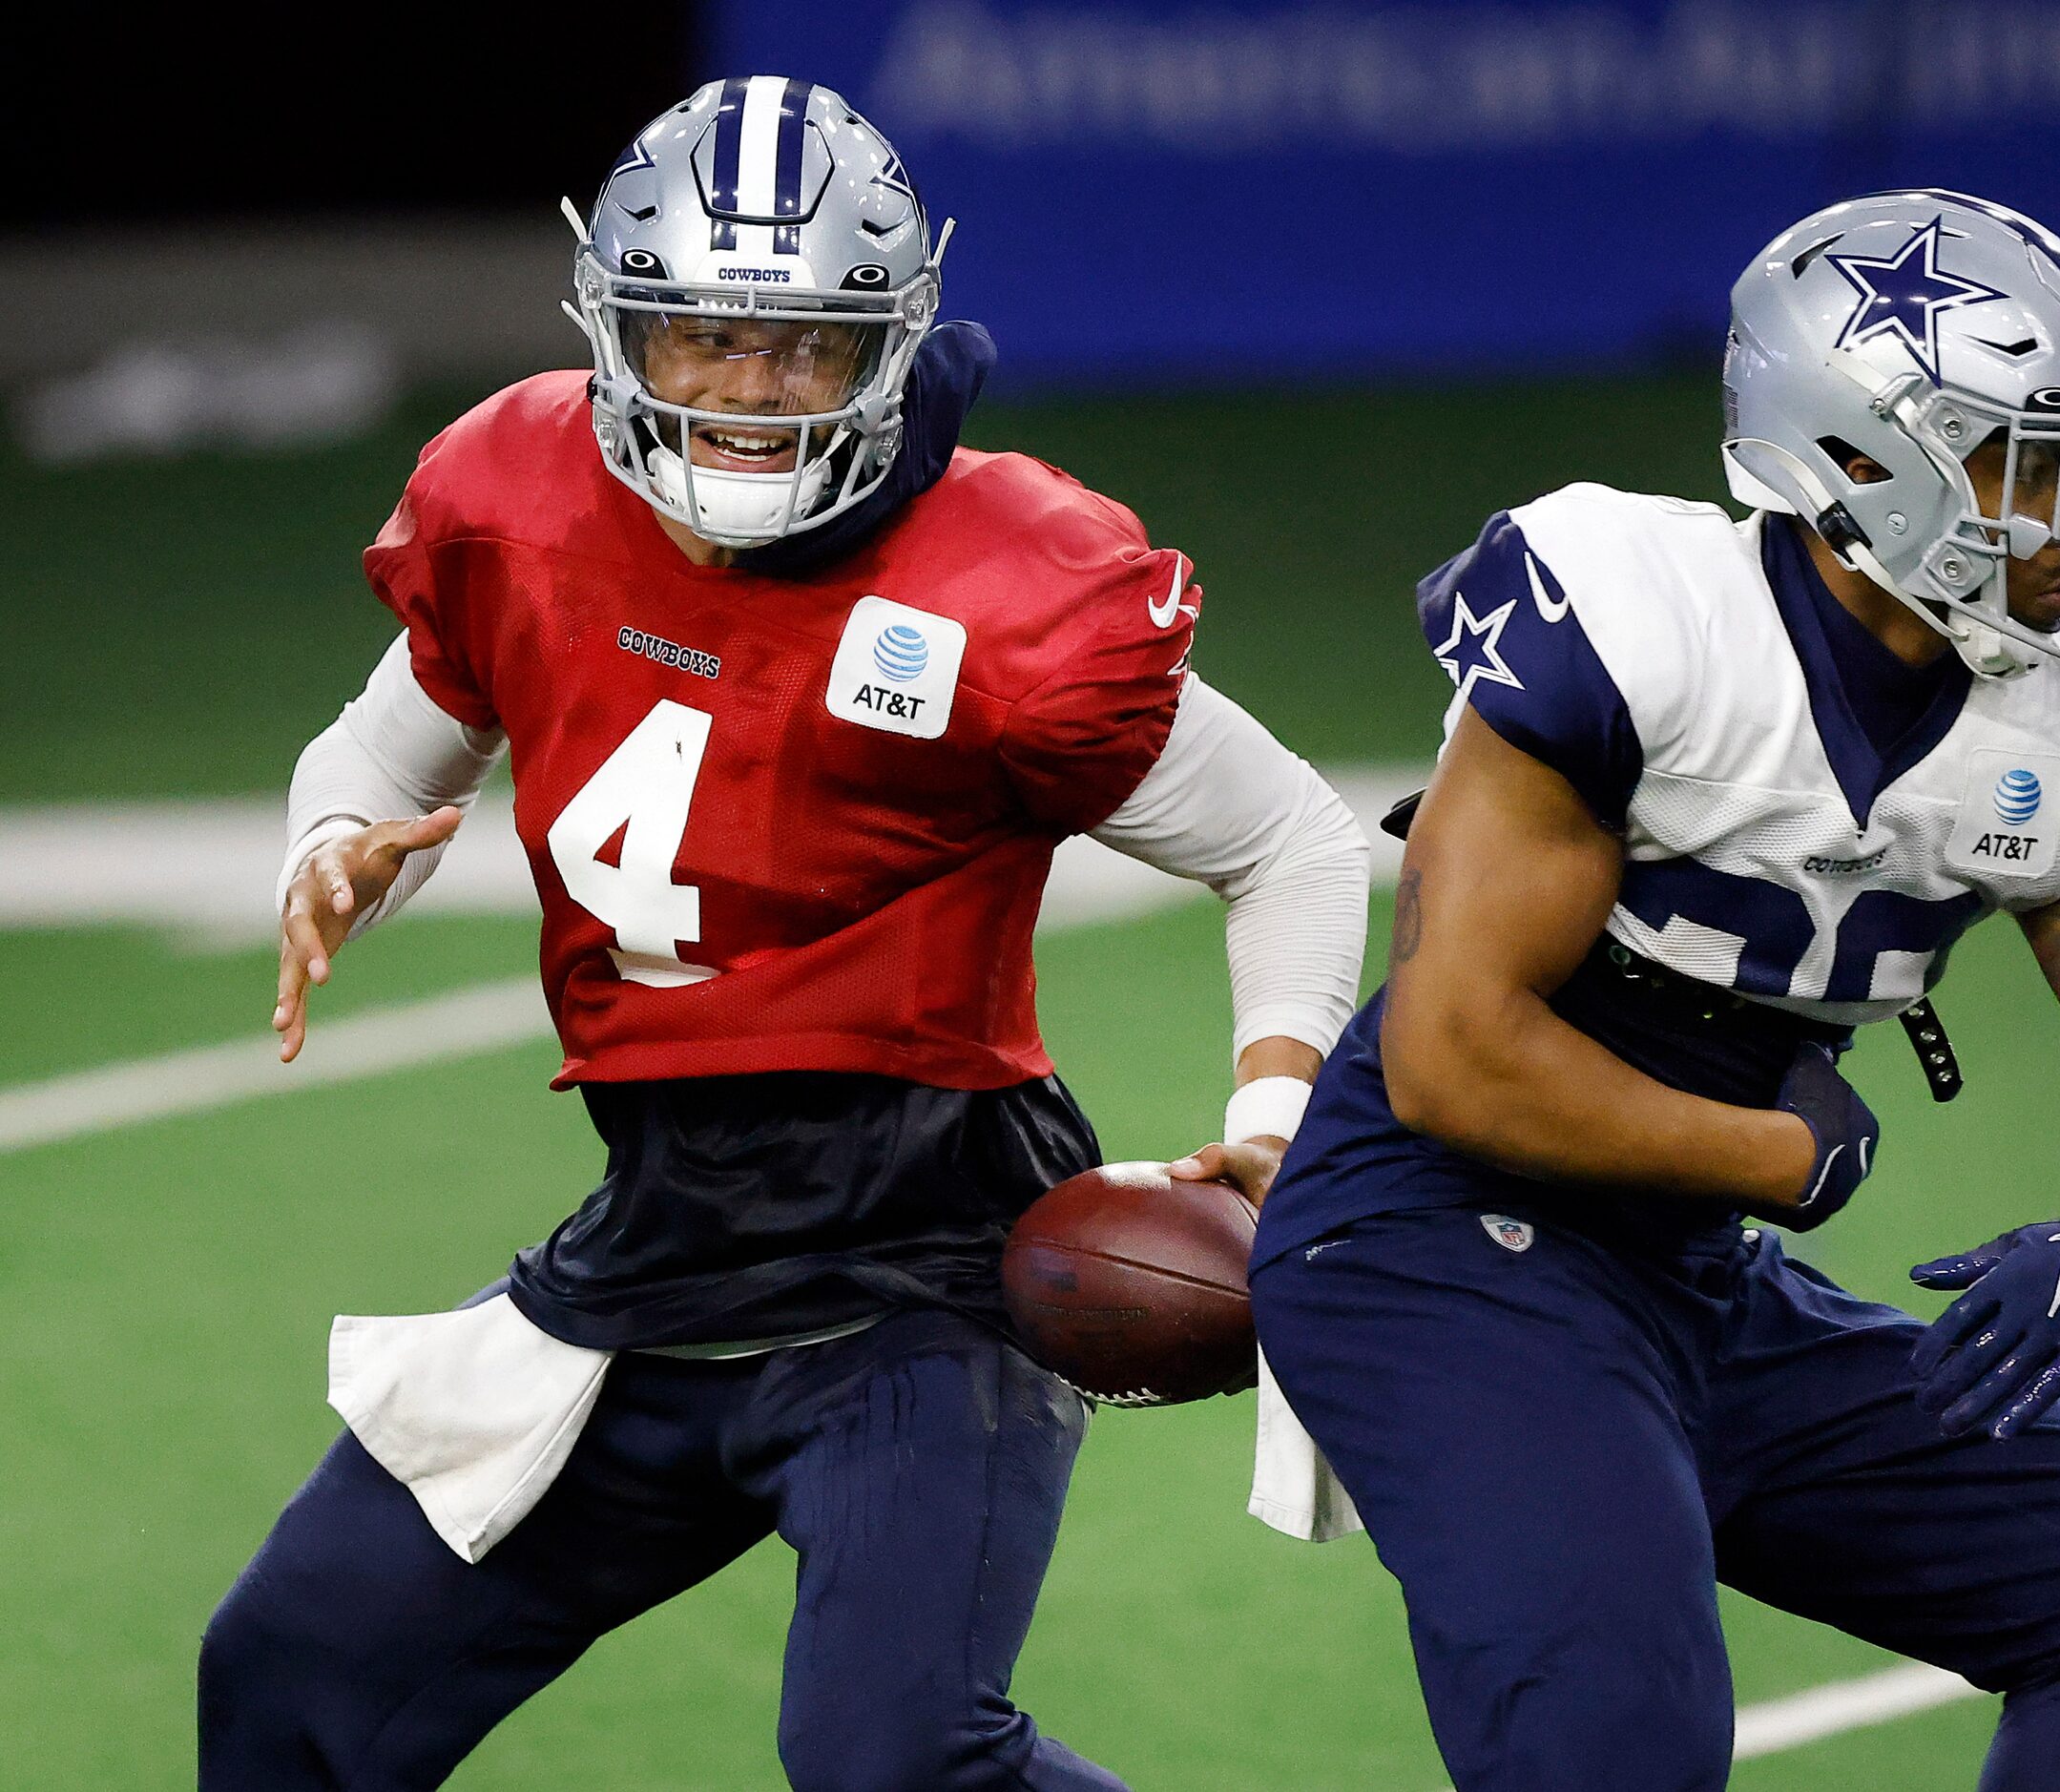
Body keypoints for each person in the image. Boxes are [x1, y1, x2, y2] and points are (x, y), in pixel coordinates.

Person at [199, 76, 1369, 1791]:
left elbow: (1288, 833)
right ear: (617, 331)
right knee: (290, 1673)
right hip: (658, 1250)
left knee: (895, 1762)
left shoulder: (1008, 583)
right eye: (700, 337)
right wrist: (331, 845)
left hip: (927, 1265)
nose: (751, 389)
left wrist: (1271, 1120)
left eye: (807, 346)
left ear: (888, 346)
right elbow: (387, 740)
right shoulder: (513, 492)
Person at [1248, 190, 2060, 1792]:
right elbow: (1454, 1061)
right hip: (1428, 1236)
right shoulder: (1637, 614)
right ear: (1857, 458)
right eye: (2025, 463)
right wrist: (1778, 1157)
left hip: (1686, 1273)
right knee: (1622, 1746)